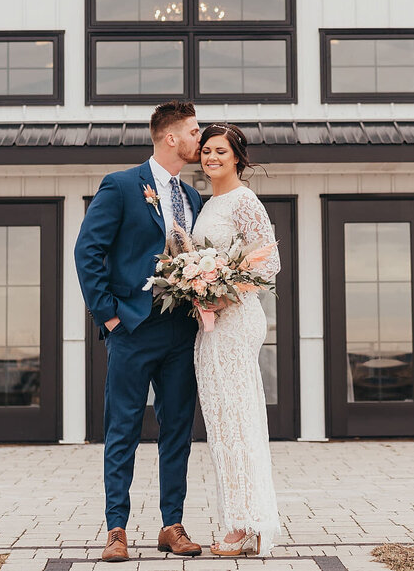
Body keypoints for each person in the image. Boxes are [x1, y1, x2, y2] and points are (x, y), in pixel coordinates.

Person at [74, 101, 205, 563]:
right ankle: (116, 529)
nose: (198, 139)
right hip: (132, 328)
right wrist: (108, 316)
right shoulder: (123, 185)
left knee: (177, 430)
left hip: (181, 332)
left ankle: (172, 525)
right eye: (192, 131)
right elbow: (87, 251)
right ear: (170, 137)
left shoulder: (192, 199)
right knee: (123, 428)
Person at [190, 123, 281, 557]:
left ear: (238, 158)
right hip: (211, 323)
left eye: (220, 151)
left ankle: (248, 524)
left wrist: (221, 297)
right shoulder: (210, 204)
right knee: (223, 424)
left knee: (238, 422)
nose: (211, 158)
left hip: (236, 320)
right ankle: (240, 520)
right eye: (206, 150)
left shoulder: (245, 201)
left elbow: (268, 263)